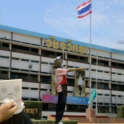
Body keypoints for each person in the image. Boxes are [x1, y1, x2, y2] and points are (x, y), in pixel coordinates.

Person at [53, 56, 84, 124]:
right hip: (62, 88)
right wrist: (79, 68)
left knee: (61, 104)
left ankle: (58, 120)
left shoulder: (59, 70)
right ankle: (58, 120)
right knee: (61, 104)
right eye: (60, 60)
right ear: (58, 62)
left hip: (62, 87)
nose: (61, 62)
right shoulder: (58, 69)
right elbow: (69, 70)